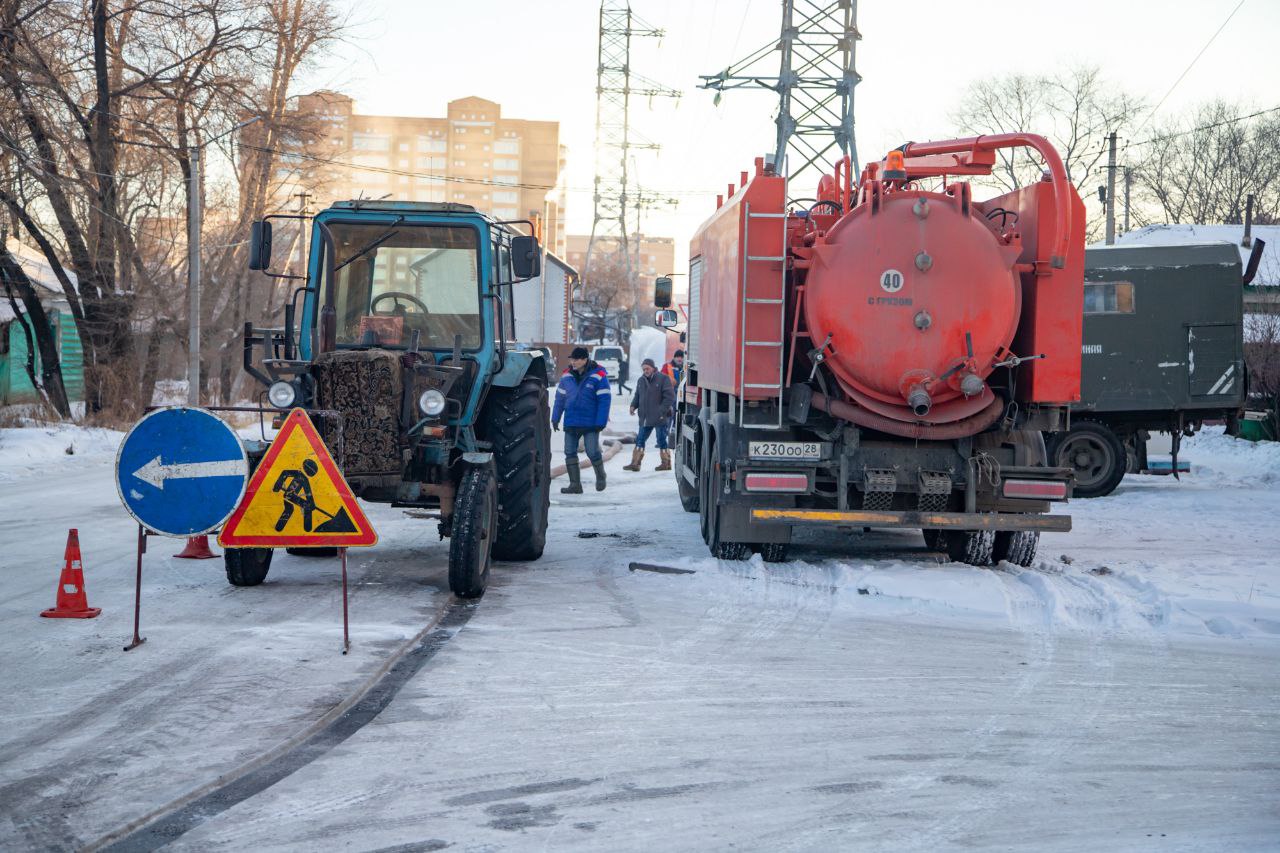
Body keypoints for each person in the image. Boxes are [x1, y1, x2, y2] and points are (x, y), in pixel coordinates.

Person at [551, 346, 611, 493]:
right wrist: (555, 418)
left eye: (576, 359)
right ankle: (575, 485)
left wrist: (600, 422)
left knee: (592, 452)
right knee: (569, 452)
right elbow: (560, 399)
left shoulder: (598, 376)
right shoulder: (566, 376)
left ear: (585, 359)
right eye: (572, 359)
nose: (573, 362)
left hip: (591, 423)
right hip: (571, 421)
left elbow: (604, 400)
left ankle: (601, 475)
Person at [625, 358, 676, 472]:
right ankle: (635, 463)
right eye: (643, 369)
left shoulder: (663, 378)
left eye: (647, 368)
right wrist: (633, 406)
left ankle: (666, 463)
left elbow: (670, 397)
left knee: (661, 440)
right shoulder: (641, 380)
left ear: (653, 368)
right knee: (640, 439)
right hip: (645, 417)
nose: (645, 371)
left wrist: (661, 411)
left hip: (660, 417)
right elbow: (637, 395)